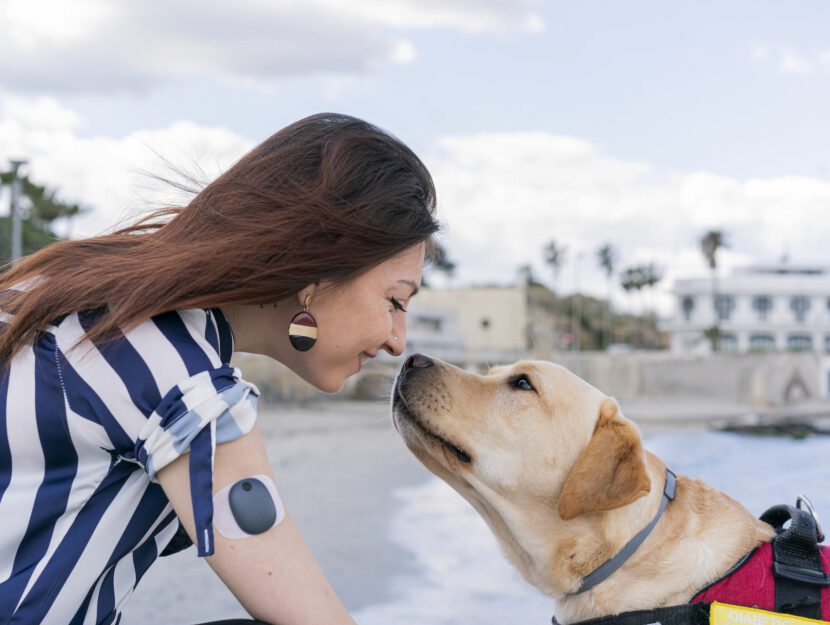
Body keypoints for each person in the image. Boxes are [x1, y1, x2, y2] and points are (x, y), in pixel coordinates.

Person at [0, 113, 439, 625]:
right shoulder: (178, 380)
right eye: (396, 301)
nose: (396, 341)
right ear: (317, 274)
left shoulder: (71, 285)